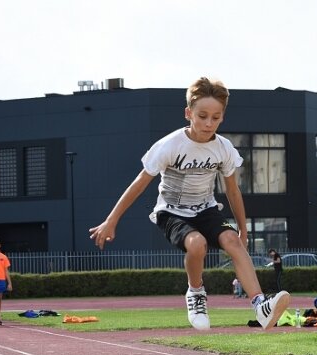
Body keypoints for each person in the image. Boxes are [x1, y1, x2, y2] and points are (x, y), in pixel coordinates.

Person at [89, 77, 290, 331]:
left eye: (215, 118)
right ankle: (195, 293)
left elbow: (232, 191)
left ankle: (261, 305)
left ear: (222, 118)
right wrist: (112, 219)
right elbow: (140, 183)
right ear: (188, 113)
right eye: (202, 116)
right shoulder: (170, 145)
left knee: (231, 241)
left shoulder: (223, 148)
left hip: (206, 209)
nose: (208, 123)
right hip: (171, 211)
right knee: (197, 244)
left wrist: (243, 230)